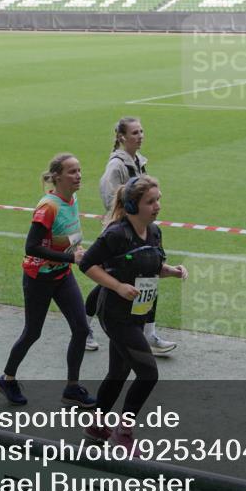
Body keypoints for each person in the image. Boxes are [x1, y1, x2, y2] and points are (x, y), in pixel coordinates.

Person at [78, 175, 187, 448]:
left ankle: (96, 426)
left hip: (137, 314)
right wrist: (117, 286)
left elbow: (151, 266)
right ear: (132, 206)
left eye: (158, 199)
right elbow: (88, 264)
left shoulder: (154, 232)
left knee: (119, 372)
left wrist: (171, 271)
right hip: (115, 315)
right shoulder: (116, 234)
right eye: (151, 202)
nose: (157, 206)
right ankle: (122, 434)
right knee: (148, 373)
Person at [0, 153, 96, 409]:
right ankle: (7, 379)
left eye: (79, 170)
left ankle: (72, 388)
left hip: (62, 274)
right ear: (57, 177)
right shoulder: (47, 207)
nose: (79, 175)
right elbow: (31, 247)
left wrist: (74, 255)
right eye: (72, 172)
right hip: (38, 279)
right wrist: (71, 258)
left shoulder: (72, 199)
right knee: (32, 332)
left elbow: (68, 236)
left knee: (82, 329)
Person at [87, 116, 177, 354]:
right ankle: (84, 326)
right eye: (135, 132)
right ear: (122, 137)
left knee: (144, 276)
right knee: (109, 283)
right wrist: (126, 219)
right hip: (122, 235)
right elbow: (109, 195)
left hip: (136, 230)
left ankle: (148, 333)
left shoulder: (137, 161)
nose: (140, 136)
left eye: (141, 131)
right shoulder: (117, 165)